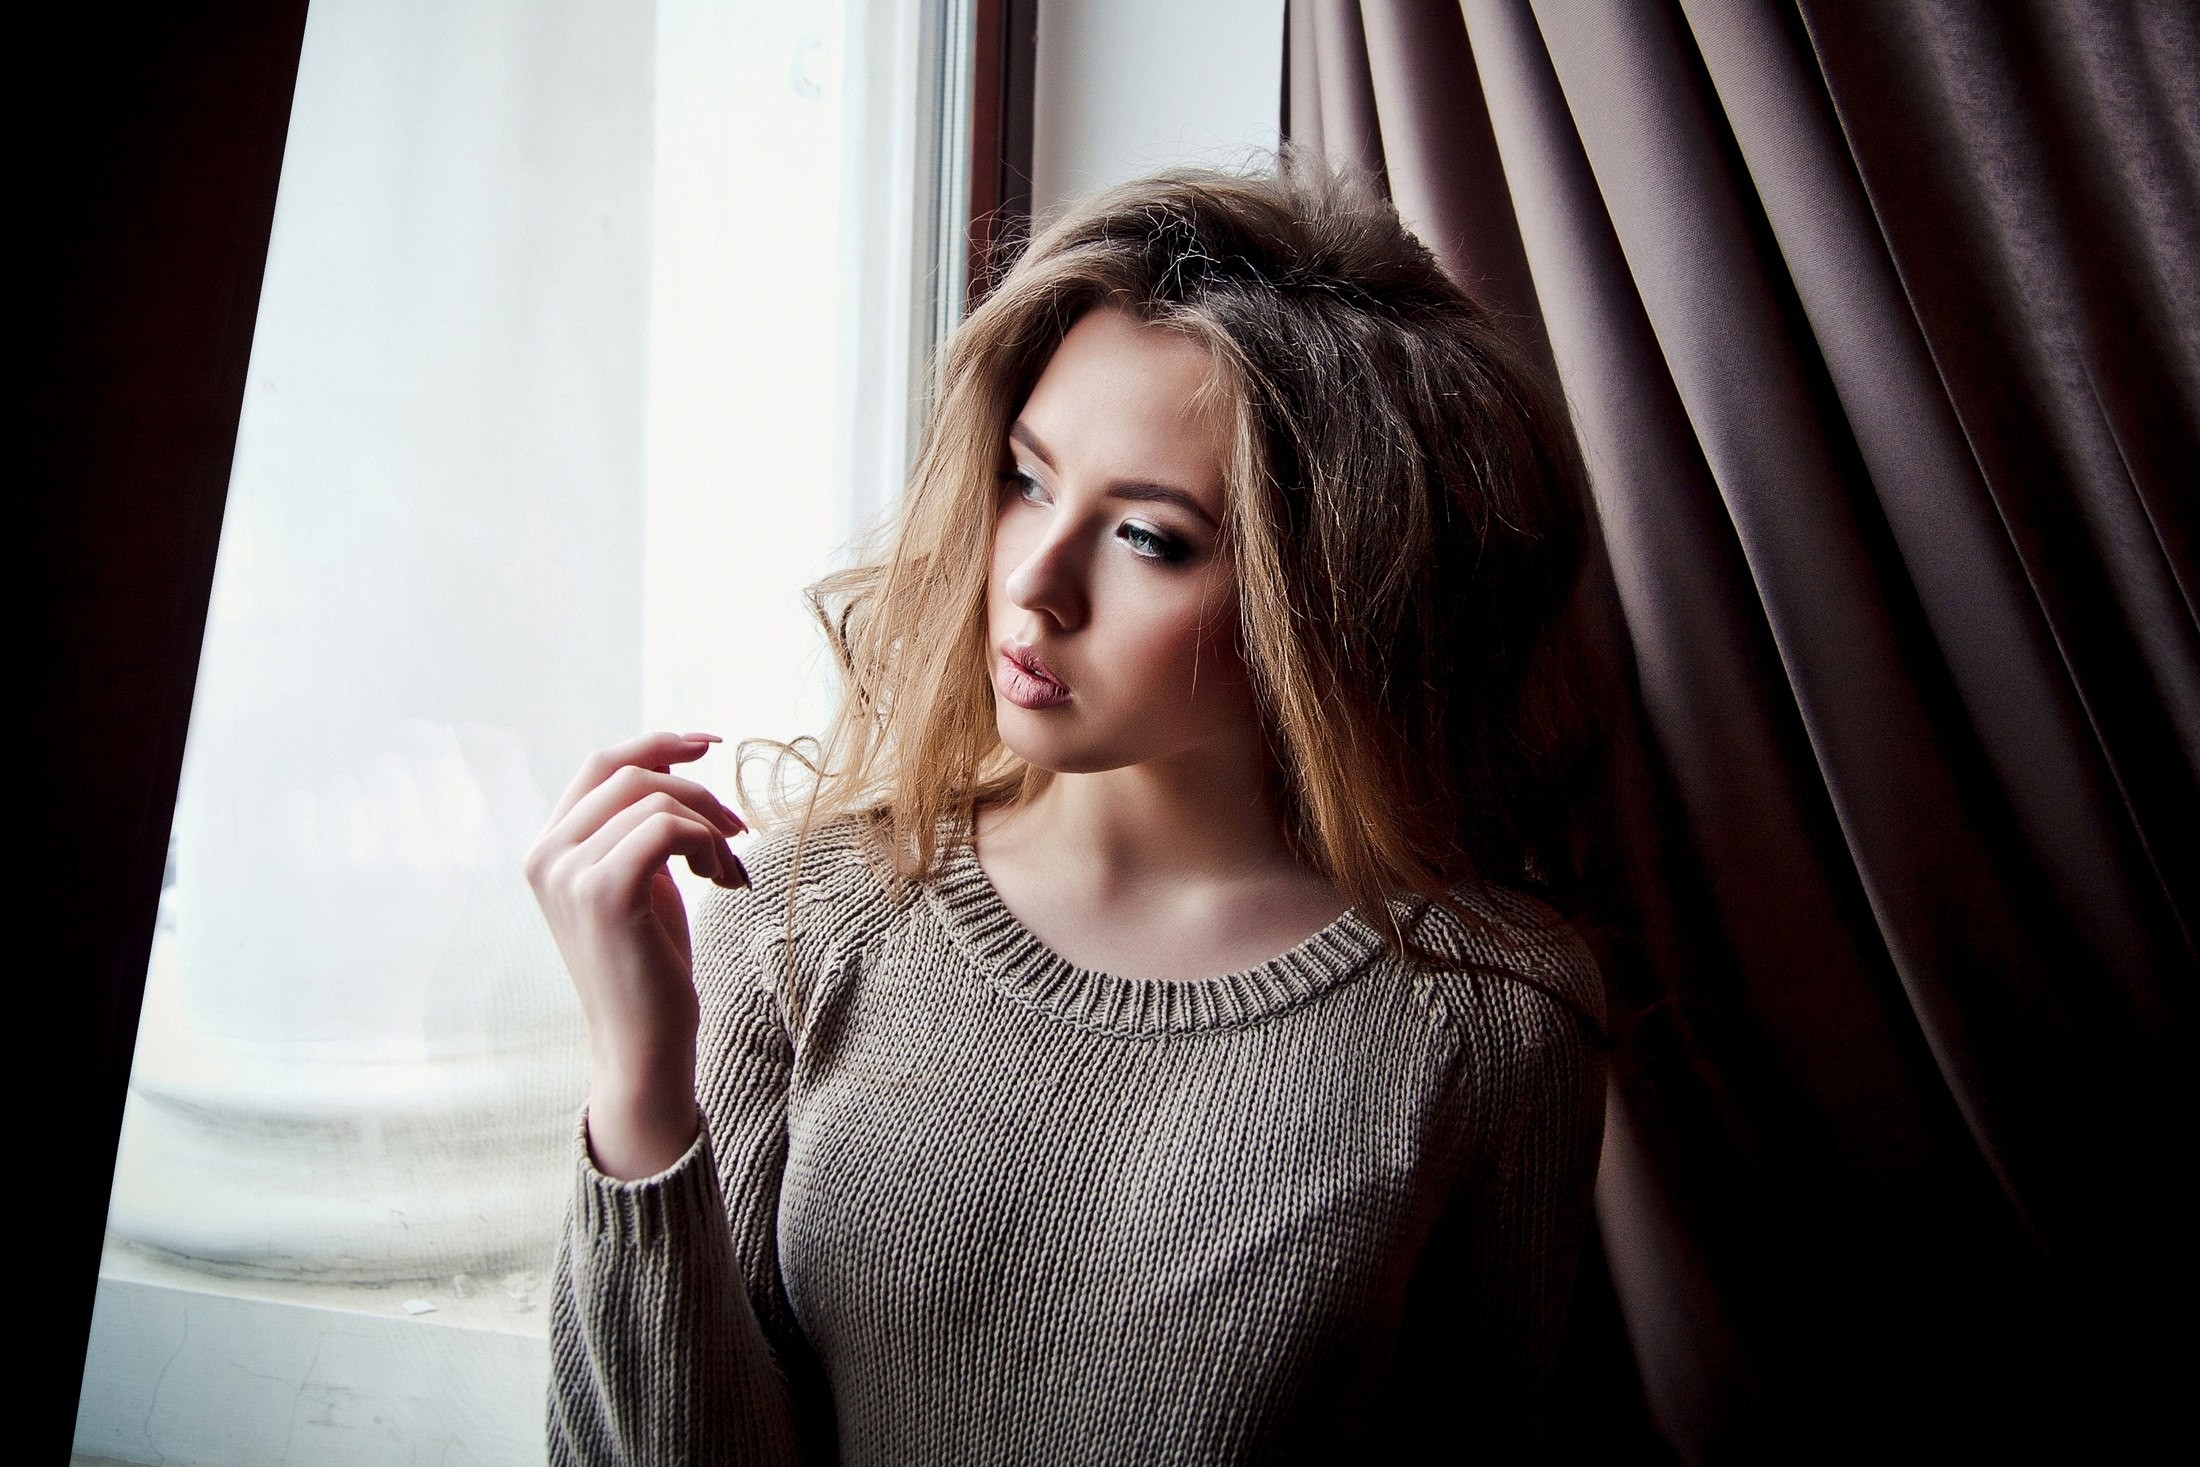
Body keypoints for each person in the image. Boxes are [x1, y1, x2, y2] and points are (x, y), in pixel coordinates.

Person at [527, 165, 1606, 1464]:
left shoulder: (1487, 1020)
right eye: (1027, 479)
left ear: (1327, 596)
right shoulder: (798, 922)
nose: (1032, 581)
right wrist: (641, 1091)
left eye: (1149, 537)